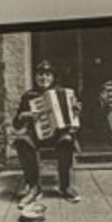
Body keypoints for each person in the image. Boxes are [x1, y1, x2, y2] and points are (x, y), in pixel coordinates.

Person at [9, 62, 80, 210]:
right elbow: (16, 123)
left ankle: (65, 186)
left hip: (58, 134)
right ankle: (34, 187)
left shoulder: (63, 92)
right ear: (35, 77)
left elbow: (73, 117)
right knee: (22, 142)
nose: (44, 77)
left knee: (66, 141)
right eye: (40, 74)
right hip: (37, 133)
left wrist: (76, 110)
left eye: (48, 74)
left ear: (53, 77)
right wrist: (24, 115)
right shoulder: (29, 96)